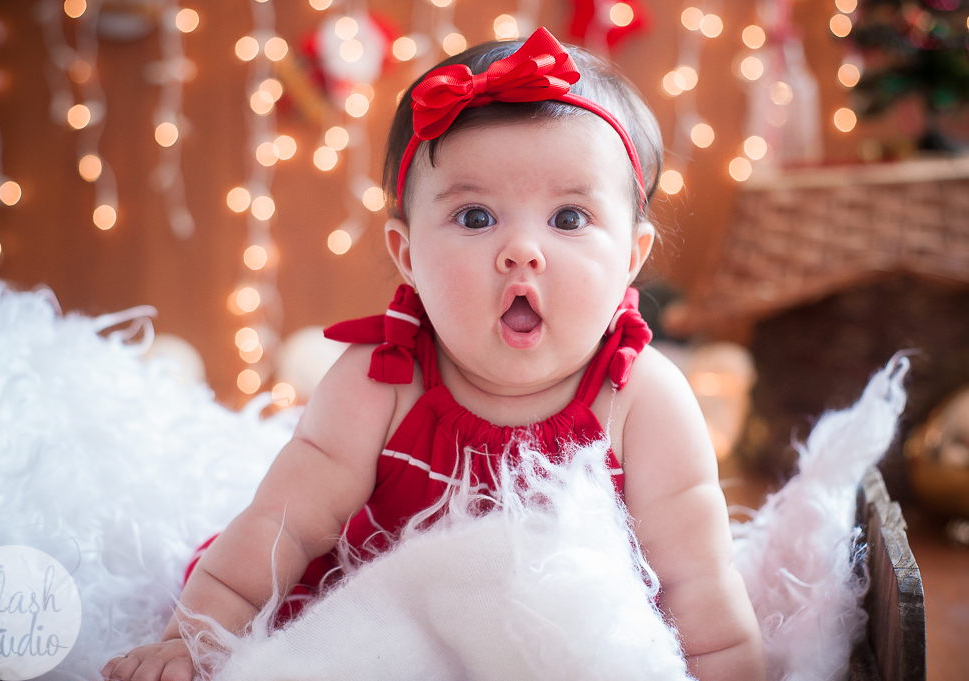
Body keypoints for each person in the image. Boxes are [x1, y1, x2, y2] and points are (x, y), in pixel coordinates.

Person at [102, 28, 765, 681]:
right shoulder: (380, 381)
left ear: (630, 257)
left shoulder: (644, 399)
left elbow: (698, 585)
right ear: (407, 254)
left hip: (562, 647)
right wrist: (193, 640)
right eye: (476, 217)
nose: (522, 251)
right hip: (388, 638)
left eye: (568, 218)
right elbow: (277, 531)